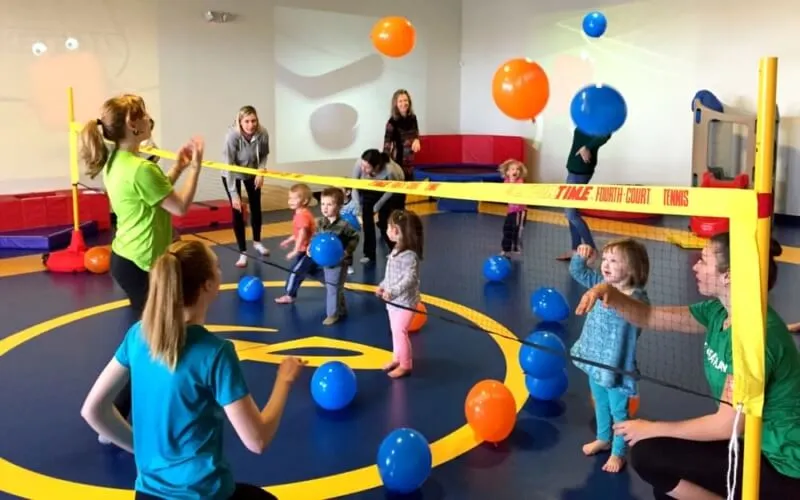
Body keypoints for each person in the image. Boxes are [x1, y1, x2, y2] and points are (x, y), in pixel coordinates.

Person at [575, 233, 800, 499]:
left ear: (728, 276)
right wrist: (607, 292)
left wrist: (651, 427)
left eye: (703, 260)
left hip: (783, 464)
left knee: (650, 456)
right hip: (751, 443)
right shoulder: (718, 311)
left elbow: (727, 426)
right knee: (665, 485)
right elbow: (648, 316)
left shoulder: (753, 338)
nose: (695, 265)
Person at [80, 240, 306, 499]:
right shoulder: (215, 353)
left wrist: (143, 450)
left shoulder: (137, 336)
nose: (221, 272)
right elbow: (257, 440)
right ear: (208, 284)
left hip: (147, 494)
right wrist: (284, 381)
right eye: (217, 267)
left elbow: (93, 410)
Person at [78, 94, 204, 436]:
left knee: (153, 335)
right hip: (144, 266)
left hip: (126, 259)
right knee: (151, 340)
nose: (150, 119)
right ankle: (112, 417)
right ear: (134, 126)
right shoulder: (141, 168)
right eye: (144, 115)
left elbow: (154, 194)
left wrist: (176, 167)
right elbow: (178, 207)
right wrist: (195, 169)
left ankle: (123, 409)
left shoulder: (117, 161)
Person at [569, 239, 650, 473]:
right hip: (595, 359)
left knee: (620, 412)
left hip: (616, 366)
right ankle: (603, 438)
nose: (606, 264)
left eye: (614, 260)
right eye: (605, 259)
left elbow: (632, 310)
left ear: (632, 269)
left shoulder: (637, 297)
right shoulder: (600, 282)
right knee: (600, 403)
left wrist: (606, 292)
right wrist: (580, 255)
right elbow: (578, 271)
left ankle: (619, 452)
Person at [274, 188, 359, 326]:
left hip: (339, 261)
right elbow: (315, 238)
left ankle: (332, 314)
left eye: (329, 204)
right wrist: (310, 248)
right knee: (335, 287)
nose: (325, 208)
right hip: (325, 261)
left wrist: (347, 251)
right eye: (323, 204)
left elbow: (355, 238)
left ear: (338, 206)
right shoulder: (321, 222)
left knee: (332, 288)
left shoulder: (344, 225)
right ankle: (341, 309)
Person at [375, 210, 424, 379]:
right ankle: (397, 358)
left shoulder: (410, 256)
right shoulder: (396, 249)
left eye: (392, 227)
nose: (388, 230)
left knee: (399, 330)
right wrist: (382, 286)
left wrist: (393, 291)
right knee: (395, 331)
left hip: (405, 303)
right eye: (389, 227)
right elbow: (390, 275)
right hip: (393, 302)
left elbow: (409, 279)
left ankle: (406, 365)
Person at [222, 106, 271, 268]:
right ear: (240, 122)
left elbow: (264, 155)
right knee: (237, 211)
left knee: (256, 207)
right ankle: (242, 252)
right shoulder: (232, 137)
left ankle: (257, 242)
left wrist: (261, 172)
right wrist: (234, 194)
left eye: (253, 121)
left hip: (252, 172)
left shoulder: (262, 132)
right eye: (247, 121)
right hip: (232, 174)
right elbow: (229, 165)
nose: (251, 125)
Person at [557, 128, 611, 261]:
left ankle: (591, 250)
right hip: (574, 170)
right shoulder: (585, 121)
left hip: (580, 171)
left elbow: (606, 134)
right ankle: (575, 249)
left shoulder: (598, 122)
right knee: (572, 214)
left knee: (571, 214)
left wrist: (587, 147)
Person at [351, 149, 405, 264]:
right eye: (363, 166)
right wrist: (357, 204)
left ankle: (395, 250)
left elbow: (391, 191)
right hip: (370, 187)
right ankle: (369, 254)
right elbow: (354, 186)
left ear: (376, 167)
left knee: (387, 221)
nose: (363, 170)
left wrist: (377, 206)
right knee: (367, 221)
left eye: (367, 168)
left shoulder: (390, 170)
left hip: (393, 190)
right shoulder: (359, 164)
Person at [383, 89, 420, 207]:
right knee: (396, 194)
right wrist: (385, 164)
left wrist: (417, 140)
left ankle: (400, 216)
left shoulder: (413, 118)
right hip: (398, 162)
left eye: (405, 100)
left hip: (410, 162)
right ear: (395, 103)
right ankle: (393, 217)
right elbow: (387, 144)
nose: (403, 103)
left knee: (404, 193)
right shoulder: (391, 122)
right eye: (400, 101)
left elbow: (415, 133)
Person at [498, 159, 528, 256]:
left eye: (518, 169)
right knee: (506, 228)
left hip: (520, 212)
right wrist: (510, 181)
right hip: (511, 211)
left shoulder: (520, 182)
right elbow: (506, 191)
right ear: (507, 172)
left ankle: (515, 247)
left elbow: (517, 190)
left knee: (516, 230)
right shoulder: (506, 182)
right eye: (513, 169)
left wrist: (513, 181)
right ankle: (505, 249)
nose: (516, 171)